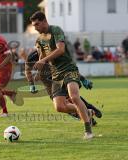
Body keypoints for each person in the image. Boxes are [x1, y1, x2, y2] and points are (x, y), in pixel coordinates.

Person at [30, 11, 94, 139]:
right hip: (56, 75)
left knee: (74, 97)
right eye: (33, 25)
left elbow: (61, 49)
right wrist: (39, 70)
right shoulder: (40, 40)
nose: (35, 28)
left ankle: (88, 131)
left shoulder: (56, 30)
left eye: (37, 24)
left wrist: (43, 60)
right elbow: (43, 57)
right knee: (59, 107)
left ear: (43, 21)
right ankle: (87, 112)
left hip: (69, 69)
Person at [25, 50, 102, 126]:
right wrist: (31, 84)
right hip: (48, 84)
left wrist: (82, 79)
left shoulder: (51, 53)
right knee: (63, 106)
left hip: (58, 78)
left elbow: (67, 68)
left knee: (71, 98)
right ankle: (89, 117)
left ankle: (90, 110)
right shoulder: (31, 58)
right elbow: (27, 71)